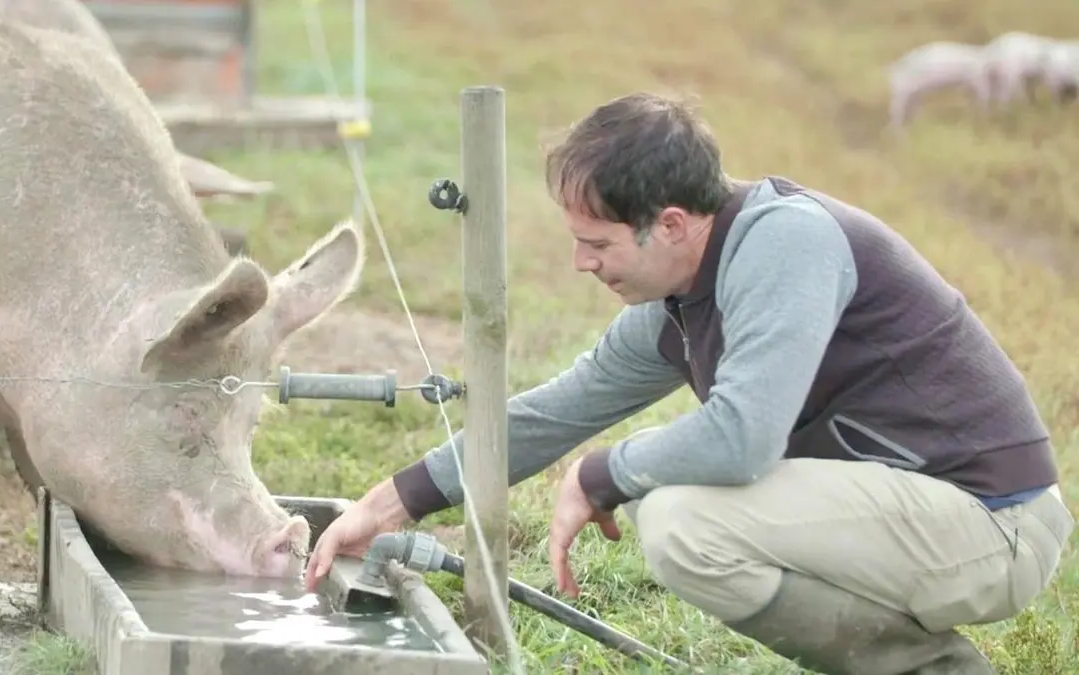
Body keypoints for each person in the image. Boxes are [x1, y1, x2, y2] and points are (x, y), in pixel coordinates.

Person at [303, 91, 1074, 673]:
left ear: (669, 224)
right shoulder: (679, 300)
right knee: (679, 517)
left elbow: (743, 437)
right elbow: (550, 413)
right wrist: (382, 504)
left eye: (595, 242)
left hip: (991, 524)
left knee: (684, 523)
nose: (581, 264)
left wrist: (607, 470)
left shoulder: (786, 243)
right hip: (913, 514)